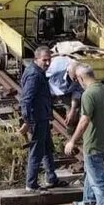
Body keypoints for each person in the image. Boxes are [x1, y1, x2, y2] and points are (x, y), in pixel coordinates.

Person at [63, 65, 104, 205]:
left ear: (81, 78)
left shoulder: (88, 94)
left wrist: (72, 141)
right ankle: (89, 201)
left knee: (97, 181)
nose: (77, 82)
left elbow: (84, 120)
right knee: (91, 171)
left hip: (94, 144)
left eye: (77, 79)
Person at [19, 46, 65, 191]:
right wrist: (27, 121)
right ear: (36, 59)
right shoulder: (34, 75)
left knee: (46, 148)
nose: (47, 63)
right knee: (37, 150)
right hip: (36, 119)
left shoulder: (38, 71)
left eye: (49, 60)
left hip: (42, 116)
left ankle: (51, 178)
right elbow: (26, 100)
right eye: (44, 60)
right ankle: (31, 184)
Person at [47, 55, 83, 125]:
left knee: (73, 114)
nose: (76, 81)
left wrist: (72, 110)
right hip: (49, 89)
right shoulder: (56, 66)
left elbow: (77, 93)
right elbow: (41, 76)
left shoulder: (81, 76)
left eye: (78, 79)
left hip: (66, 92)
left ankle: (70, 128)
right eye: (74, 78)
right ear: (68, 72)